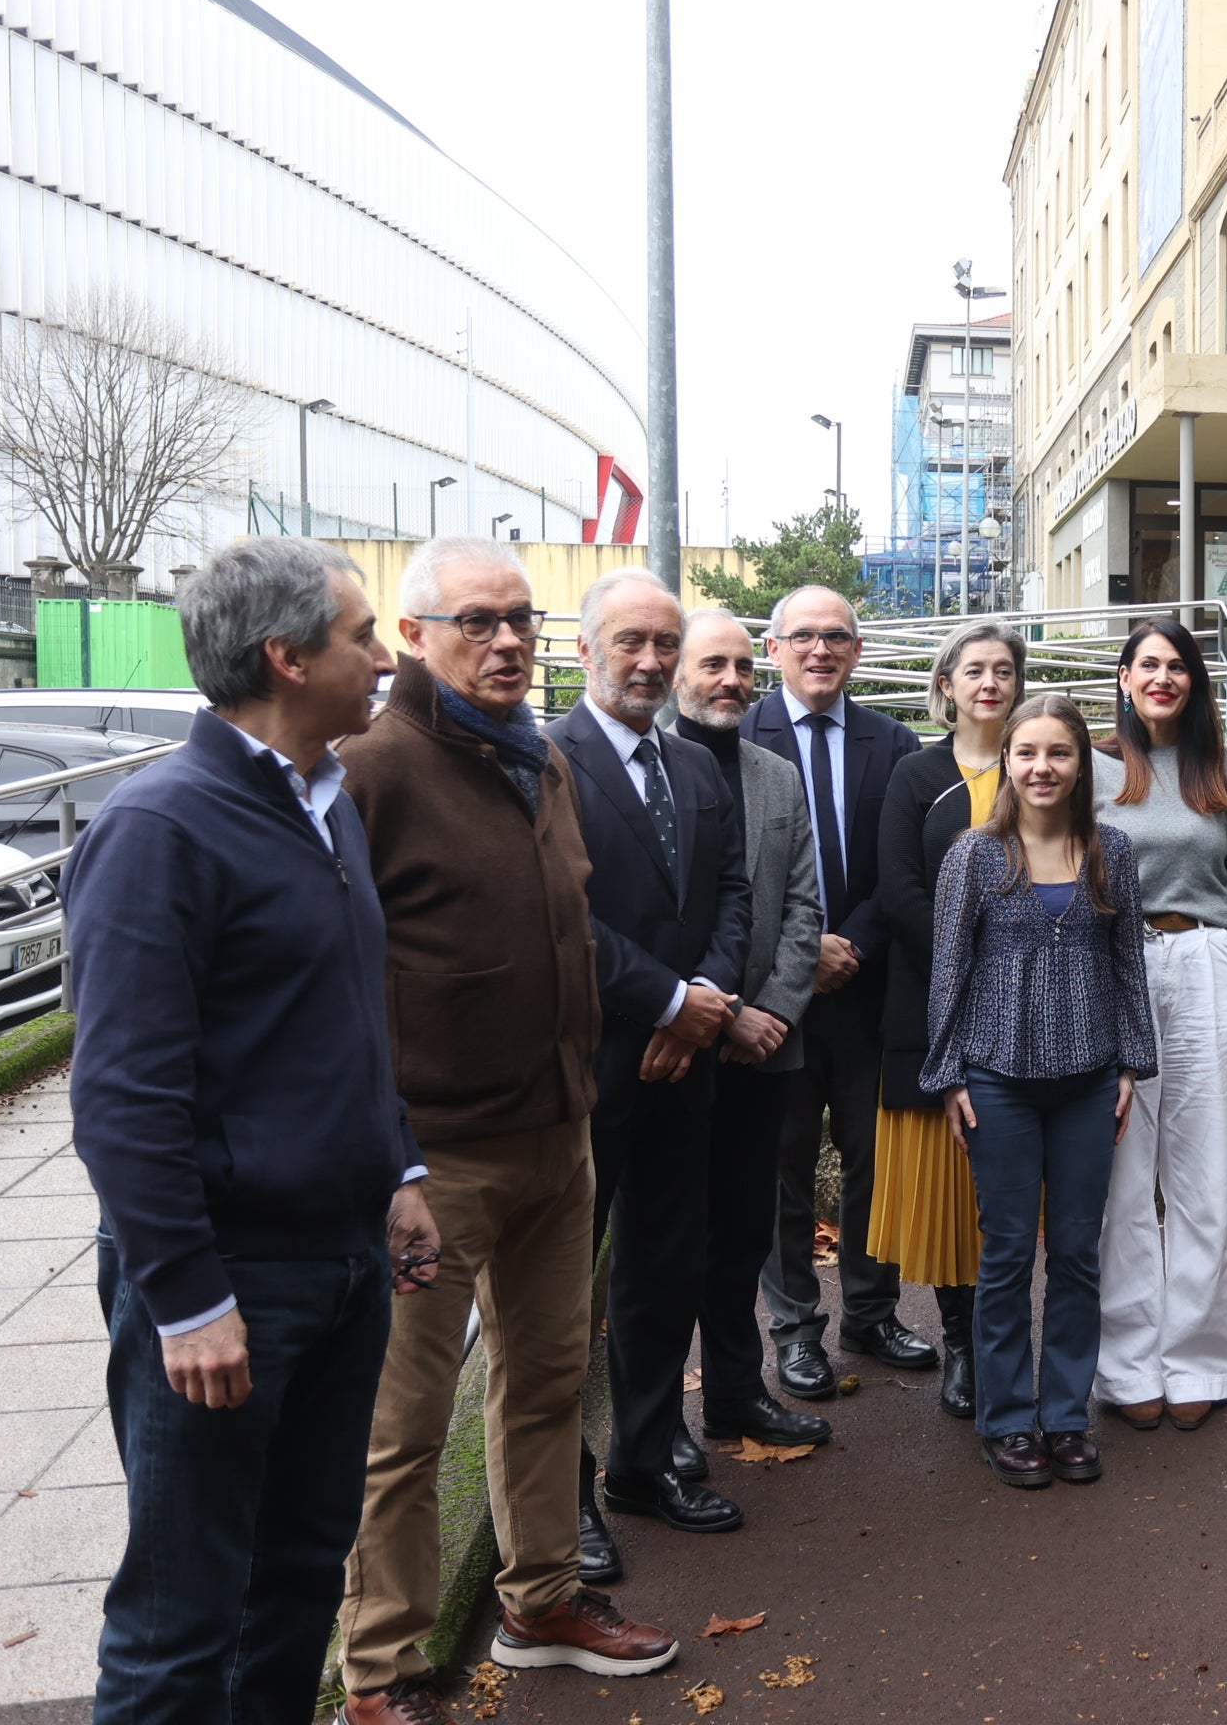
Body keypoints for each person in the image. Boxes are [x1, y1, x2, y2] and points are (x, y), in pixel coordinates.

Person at [68, 538, 437, 1725]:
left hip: (338, 1265)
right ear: (286, 657)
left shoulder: (324, 806)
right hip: (229, 1284)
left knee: (292, 1582)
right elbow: (122, 1094)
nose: (385, 657)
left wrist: (400, 1167)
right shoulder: (162, 827)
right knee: (183, 1621)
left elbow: (340, 1020)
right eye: (362, 636)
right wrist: (185, 1294)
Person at [334, 538, 672, 1719]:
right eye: (478, 620)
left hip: (557, 1135)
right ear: (416, 635)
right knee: (404, 1422)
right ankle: (378, 1673)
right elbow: (341, 978)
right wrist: (389, 1158)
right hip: (439, 1158)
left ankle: (541, 1601)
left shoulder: (539, 760)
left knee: (547, 1380)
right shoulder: (370, 767)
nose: (509, 640)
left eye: (523, 618)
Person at [552, 571, 753, 1539]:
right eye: (630, 641)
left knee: (665, 1272)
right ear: (587, 650)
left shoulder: (700, 768)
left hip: (687, 1069)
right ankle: (562, 1497)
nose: (651, 661)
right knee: (555, 1301)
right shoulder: (545, 763)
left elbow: (731, 895)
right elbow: (563, 923)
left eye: (665, 644)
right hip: (588, 1067)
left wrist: (700, 1013)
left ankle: (641, 1461)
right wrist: (674, 1004)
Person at [922, 695, 1158, 1489]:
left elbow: (1129, 962)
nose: (1041, 768)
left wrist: (1131, 1063)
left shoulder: (1111, 852)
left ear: (1080, 765)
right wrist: (949, 1075)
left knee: (1078, 1255)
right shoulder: (974, 856)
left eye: (1058, 753)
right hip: (1000, 1081)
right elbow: (948, 972)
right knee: (1007, 1254)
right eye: (1026, 753)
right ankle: (1008, 1419)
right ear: (1007, 762)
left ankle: (1065, 1416)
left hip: (1091, 1079)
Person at [1094, 619, 1227, 1431]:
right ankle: (1129, 1364)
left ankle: (1199, 1358)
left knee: (1206, 1176)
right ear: (1126, 679)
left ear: (1195, 681)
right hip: (1116, 969)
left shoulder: (1225, 766)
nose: (1163, 678)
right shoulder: (1095, 767)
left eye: (1178, 666)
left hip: (1210, 966)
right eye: (1149, 665)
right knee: (1123, 1177)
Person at [747, 585, 934, 1392]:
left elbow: (903, 870)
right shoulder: (732, 737)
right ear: (774, 648)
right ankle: (794, 1328)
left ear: (857, 651)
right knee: (780, 1169)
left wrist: (846, 945)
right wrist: (797, 955)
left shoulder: (892, 743)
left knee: (874, 1158)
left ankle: (871, 1312)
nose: (819, 650)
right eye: (803, 637)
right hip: (770, 1001)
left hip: (866, 992)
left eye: (836, 637)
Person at [668, 610, 834, 1483]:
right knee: (664, 1246)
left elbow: (805, 906)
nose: (730, 680)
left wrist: (770, 1008)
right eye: (712, 664)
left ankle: (735, 1389)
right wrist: (718, 1012)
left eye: (740, 666)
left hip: (766, 1045)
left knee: (743, 1232)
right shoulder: (646, 765)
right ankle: (658, 1424)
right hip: (669, 1050)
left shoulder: (774, 775)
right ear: (677, 672)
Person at [871, 620, 1025, 1421]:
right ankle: (963, 1343)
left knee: (1011, 1183)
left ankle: (1012, 1339)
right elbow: (897, 891)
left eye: (1003, 670)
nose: (989, 683)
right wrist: (972, 966)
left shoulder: (1038, 766)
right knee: (949, 1187)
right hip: (932, 1004)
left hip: (1033, 1008)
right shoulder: (914, 775)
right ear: (946, 685)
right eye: (975, 670)